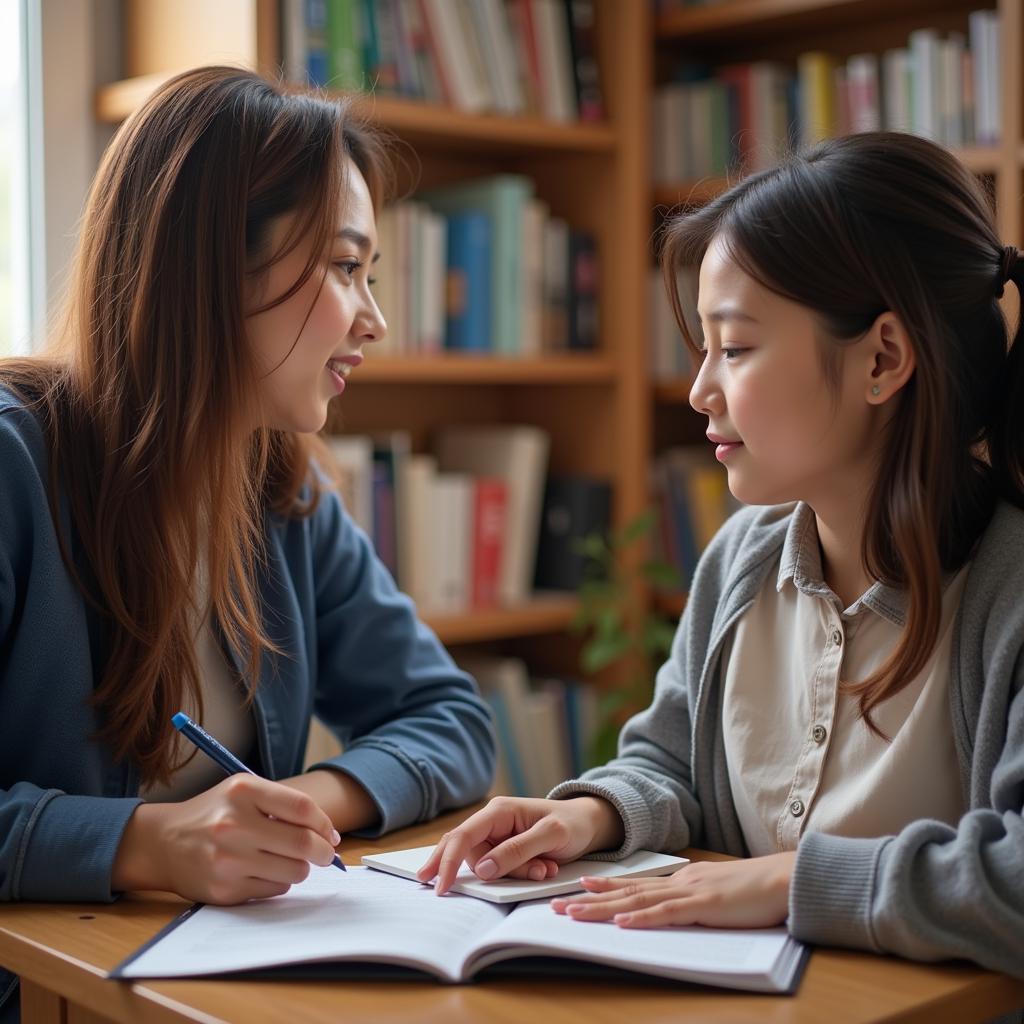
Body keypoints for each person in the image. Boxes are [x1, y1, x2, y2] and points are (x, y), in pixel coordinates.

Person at [419, 132, 1024, 983]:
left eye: (733, 348)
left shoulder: (1008, 590)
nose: (701, 388)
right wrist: (591, 814)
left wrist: (792, 882)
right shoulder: (742, 556)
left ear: (882, 359)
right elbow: (669, 762)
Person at [0, 66, 495, 1020]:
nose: (374, 321)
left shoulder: (283, 490)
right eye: (346, 268)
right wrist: (148, 842)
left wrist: (304, 804)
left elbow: (450, 718)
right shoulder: (15, 465)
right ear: (214, 266)